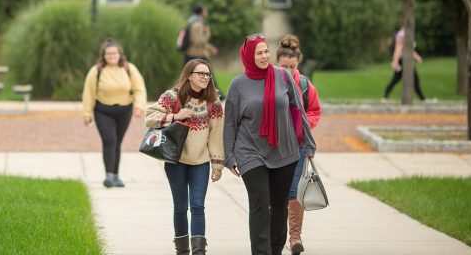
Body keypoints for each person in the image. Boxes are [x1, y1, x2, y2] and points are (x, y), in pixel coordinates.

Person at [224, 33, 316, 255]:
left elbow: (299, 110)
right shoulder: (238, 85)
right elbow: (230, 124)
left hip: (284, 151)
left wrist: (309, 144)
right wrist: (229, 156)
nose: (265, 56)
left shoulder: (283, 76)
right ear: (248, 55)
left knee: (278, 207)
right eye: (259, 52)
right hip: (250, 152)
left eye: (266, 51)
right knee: (259, 205)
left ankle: (275, 250)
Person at [145, 58, 224, 255]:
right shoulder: (172, 97)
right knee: (180, 207)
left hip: (201, 162)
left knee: (198, 206)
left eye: (208, 74)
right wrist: (175, 116)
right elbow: (149, 117)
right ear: (189, 76)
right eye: (201, 74)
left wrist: (217, 163)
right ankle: (182, 251)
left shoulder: (213, 103)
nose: (206, 77)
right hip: (175, 161)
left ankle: (198, 251)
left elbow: (216, 135)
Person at [276, 34, 322, 255]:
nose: (288, 71)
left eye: (292, 66)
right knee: (275, 193)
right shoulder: (269, 83)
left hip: (298, 146)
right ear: (277, 64)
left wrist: (306, 124)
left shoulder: (304, 85)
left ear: (298, 63)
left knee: (294, 192)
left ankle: (295, 237)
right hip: (273, 146)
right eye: (284, 66)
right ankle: (275, 237)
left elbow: (314, 110)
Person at [82, 39, 147, 188]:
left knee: (118, 142)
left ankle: (116, 176)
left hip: (125, 110)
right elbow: (88, 93)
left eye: (114, 53)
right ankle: (109, 175)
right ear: (103, 56)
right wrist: (87, 114)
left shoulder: (129, 68)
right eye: (108, 53)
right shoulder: (97, 70)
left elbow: (139, 88)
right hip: (103, 110)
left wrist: (139, 106)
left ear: (119, 54)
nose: (111, 56)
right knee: (109, 140)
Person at [382, 27, 425, 101]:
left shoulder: (408, 34)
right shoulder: (402, 34)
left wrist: (417, 57)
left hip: (406, 60)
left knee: (399, 79)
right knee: (412, 79)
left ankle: (385, 96)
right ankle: (422, 98)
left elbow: (409, 49)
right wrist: (395, 62)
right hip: (402, 61)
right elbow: (398, 49)